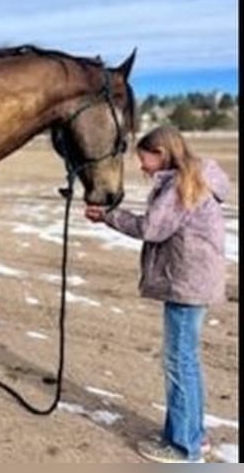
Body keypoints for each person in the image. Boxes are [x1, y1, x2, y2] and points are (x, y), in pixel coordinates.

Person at [84, 125, 230, 464]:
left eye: (144, 158)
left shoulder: (179, 185)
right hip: (194, 281)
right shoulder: (194, 177)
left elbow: (151, 228)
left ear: (162, 154)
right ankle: (193, 436)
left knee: (180, 363)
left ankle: (182, 447)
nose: (141, 165)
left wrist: (107, 217)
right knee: (187, 362)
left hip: (185, 283)